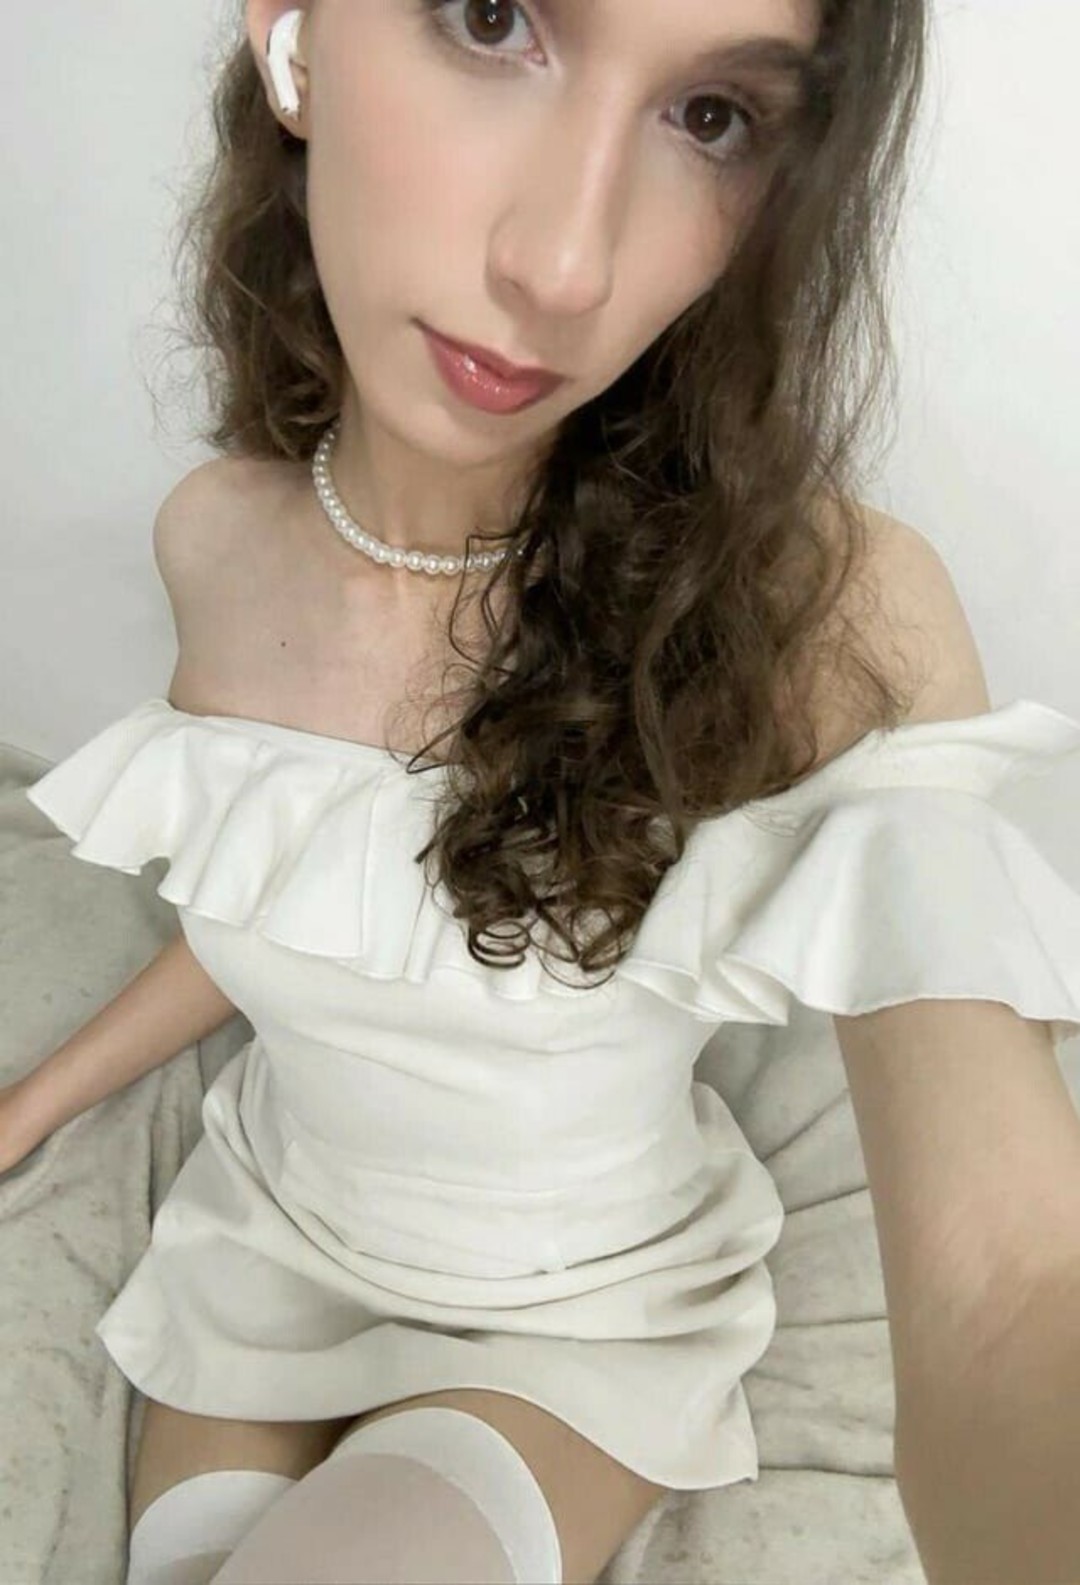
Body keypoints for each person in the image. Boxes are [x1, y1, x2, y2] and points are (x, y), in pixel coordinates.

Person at [7, 1, 1080, 1581]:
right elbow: (291, 882)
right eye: (494, 15)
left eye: (714, 117)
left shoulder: (812, 614)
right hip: (267, 1253)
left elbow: (1010, 1287)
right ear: (292, 32)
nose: (568, 267)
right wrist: (37, 1101)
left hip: (574, 1318)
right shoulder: (217, 540)